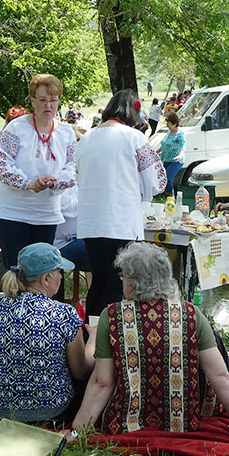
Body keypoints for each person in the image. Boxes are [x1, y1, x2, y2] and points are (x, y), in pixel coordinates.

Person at [70, 243, 229, 440]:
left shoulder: (111, 316)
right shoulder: (191, 314)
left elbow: (102, 383)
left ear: (131, 284)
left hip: (125, 422)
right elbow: (221, 375)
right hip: (181, 423)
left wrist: (77, 431)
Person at [76, 89, 167, 319]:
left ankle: (91, 330)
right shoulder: (133, 137)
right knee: (117, 283)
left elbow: (77, 173)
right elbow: (156, 181)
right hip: (120, 219)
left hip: (90, 221)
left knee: (99, 278)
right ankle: (105, 338)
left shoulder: (87, 138)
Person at [0, 243, 91, 423]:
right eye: (59, 272)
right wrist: (94, 339)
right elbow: (80, 372)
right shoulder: (64, 313)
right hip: (52, 412)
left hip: (1, 408)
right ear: (46, 279)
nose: (61, 277)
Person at [0, 73, 77, 271]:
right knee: (17, 269)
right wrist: (28, 183)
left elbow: (73, 166)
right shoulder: (16, 128)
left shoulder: (66, 132)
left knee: (43, 269)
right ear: (32, 100)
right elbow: (2, 164)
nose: (48, 105)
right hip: (13, 212)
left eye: (53, 100)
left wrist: (55, 181)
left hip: (47, 212)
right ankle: (13, 302)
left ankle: (40, 303)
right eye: (43, 100)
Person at [157, 111, 185, 196]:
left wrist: (180, 155)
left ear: (175, 124)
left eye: (169, 124)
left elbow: (183, 145)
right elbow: (165, 145)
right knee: (164, 177)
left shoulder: (179, 134)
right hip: (166, 159)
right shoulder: (169, 133)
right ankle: (164, 194)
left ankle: (170, 195)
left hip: (175, 161)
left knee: (169, 176)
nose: (168, 125)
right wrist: (156, 152)